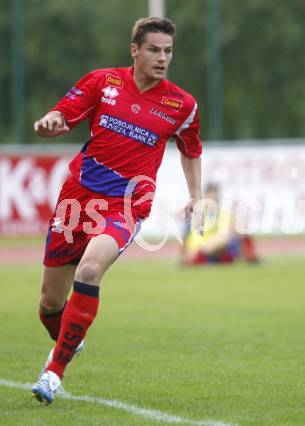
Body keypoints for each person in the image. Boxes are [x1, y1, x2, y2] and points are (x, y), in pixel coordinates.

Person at [31, 17, 203, 404]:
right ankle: (66, 342)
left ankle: (53, 374)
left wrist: (196, 193)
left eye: (168, 51)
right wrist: (51, 123)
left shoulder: (183, 104)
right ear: (135, 51)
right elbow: (64, 113)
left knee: (90, 270)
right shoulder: (102, 82)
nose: (163, 58)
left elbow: (191, 148)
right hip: (77, 199)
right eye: (154, 49)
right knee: (49, 304)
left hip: (128, 204)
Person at [181, 182, 260, 265]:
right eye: (211, 195)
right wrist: (184, 256)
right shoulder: (199, 213)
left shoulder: (223, 214)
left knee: (239, 224)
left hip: (218, 250)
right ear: (205, 196)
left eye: (216, 195)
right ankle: (250, 258)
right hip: (198, 250)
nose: (214, 197)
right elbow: (185, 235)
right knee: (225, 236)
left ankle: (251, 257)